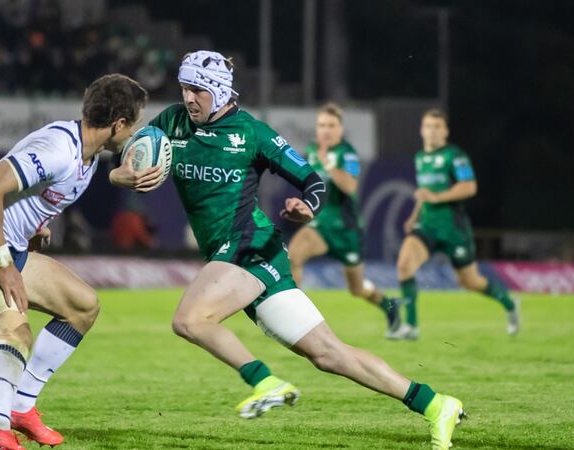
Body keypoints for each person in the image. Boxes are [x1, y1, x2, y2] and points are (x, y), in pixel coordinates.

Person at [111, 50, 465, 449]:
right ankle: (436, 404)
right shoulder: (172, 122)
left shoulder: (253, 134)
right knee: (330, 354)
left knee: (190, 320)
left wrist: (307, 206)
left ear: (219, 90)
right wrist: (119, 175)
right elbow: (123, 156)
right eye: (184, 88)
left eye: (198, 90)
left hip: (250, 245)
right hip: (231, 256)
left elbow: (314, 181)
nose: (189, 98)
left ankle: (265, 381)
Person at [0, 74, 150, 450]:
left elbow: (33, 196)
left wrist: (36, 226)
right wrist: (4, 265)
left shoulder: (86, 157)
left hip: (10, 244)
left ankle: (22, 407)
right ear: (118, 124)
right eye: (133, 124)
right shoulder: (58, 149)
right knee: (14, 333)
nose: (133, 132)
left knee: (83, 306)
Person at [389, 109, 521, 340]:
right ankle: (411, 326)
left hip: (453, 229)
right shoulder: (420, 157)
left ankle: (509, 303)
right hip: (427, 225)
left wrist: (437, 198)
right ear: (422, 130)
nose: (432, 131)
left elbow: (469, 187)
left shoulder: (455, 156)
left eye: (438, 126)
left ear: (446, 131)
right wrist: (414, 215)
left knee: (470, 281)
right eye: (428, 126)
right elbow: (425, 193)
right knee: (404, 265)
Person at [288, 102, 399, 336]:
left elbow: (350, 186)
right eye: (321, 125)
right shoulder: (311, 151)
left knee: (356, 289)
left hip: (347, 230)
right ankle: (295, 319)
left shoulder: (347, 154)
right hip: (321, 225)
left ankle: (389, 304)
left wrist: (328, 162)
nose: (326, 130)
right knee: (293, 257)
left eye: (331, 125)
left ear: (340, 129)